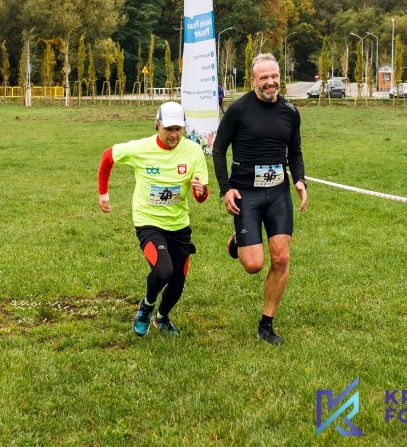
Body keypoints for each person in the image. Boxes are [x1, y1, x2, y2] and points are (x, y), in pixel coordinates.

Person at [211, 53, 307, 346]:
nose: (270, 82)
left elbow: (295, 152)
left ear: (281, 77)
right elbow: (218, 150)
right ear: (253, 79)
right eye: (263, 77)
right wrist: (225, 188)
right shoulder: (239, 109)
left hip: (278, 193)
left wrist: (300, 179)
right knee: (253, 265)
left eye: (274, 76)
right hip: (246, 193)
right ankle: (239, 240)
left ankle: (266, 324)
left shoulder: (290, 112)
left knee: (281, 258)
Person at [98, 101, 210, 336]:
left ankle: (162, 317)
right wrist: (103, 193)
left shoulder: (193, 151)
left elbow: (202, 194)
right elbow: (108, 156)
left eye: (178, 129)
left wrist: (201, 192)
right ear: (156, 125)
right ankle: (146, 307)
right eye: (168, 128)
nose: (173, 134)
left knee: (178, 282)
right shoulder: (141, 148)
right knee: (163, 271)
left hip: (179, 225)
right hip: (148, 222)